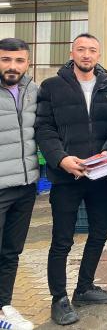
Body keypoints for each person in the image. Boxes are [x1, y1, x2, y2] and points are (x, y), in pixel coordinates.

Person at [35, 33, 107, 325]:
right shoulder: (51, 87)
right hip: (66, 177)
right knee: (62, 239)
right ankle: (59, 298)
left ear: (99, 54)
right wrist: (61, 159)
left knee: (100, 232)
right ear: (71, 52)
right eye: (81, 49)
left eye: (92, 50)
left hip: (100, 175)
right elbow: (44, 128)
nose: (87, 55)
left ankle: (84, 288)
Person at [0, 38, 39, 330]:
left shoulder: (33, 91)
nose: (12, 66)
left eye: (19, 60)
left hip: (26, 186)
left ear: (27, 63)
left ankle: (4, 306)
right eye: (5, 59)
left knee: (11, 252)